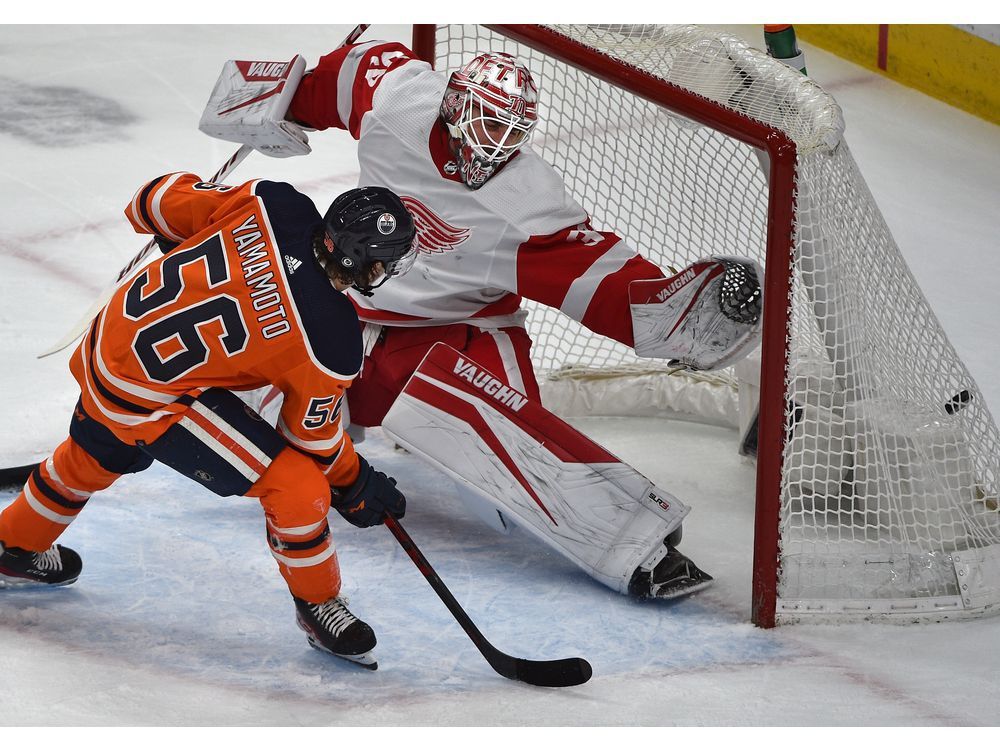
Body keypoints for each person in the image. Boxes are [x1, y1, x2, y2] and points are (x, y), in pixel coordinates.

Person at [236, 40, 762, 600]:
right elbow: (340, 78)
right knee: (267, 434)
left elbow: (604, 282)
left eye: (507, 141)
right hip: (351, 314)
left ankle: (632, 538)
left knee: (501, 503)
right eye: (482, 131)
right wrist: (283, 103)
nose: (487, 158)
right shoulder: (399, 99)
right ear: (452, 107)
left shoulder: (528, 206)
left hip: (461, 337)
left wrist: (668, 313)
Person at [0, 175, 417, 670]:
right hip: (147, 395)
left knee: (98, 450)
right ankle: (318, 602)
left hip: (109, 342)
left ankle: (15, 544)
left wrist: (184, 235)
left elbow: (152, 201)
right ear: (365, 263)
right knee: (299, 488)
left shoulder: (273, 202)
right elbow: (312, 437)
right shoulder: (330, 334)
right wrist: (355, 482)